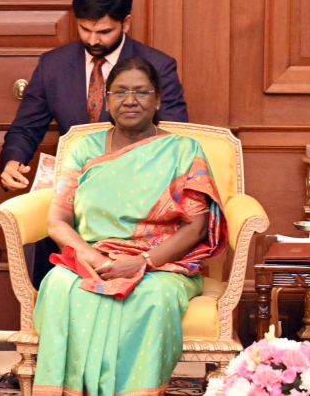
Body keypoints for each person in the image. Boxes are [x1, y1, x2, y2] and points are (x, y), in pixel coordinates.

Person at [32, 57, 226, 396]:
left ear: (158, 99)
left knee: (152, 296)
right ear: (106, 100)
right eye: (120, 92)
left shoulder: (182, 151)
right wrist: (95, 260)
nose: (130, 100)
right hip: (92, 259)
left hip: (162, 265)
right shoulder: (84, 149)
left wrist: (144, 262)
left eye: (141, 91)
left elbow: (196, 227)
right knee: (60, 285)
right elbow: (57, 221)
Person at [0, 0, 189, 287]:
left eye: (103, 31)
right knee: (48, 253)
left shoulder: (157, 65)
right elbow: (26, 126)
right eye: (84, 29)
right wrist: (12, 160)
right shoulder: (53, 64)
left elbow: (174, 135)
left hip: (135, 193)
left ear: (125, 23)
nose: (92, 40)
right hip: (71, 186)